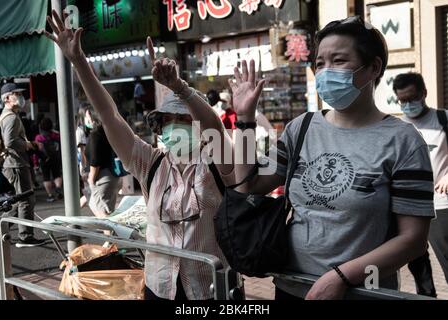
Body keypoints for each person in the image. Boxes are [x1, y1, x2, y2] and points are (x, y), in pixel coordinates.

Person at [162, 16, 435, 299]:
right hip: (291, 287)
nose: (326, 72)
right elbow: (249, 185)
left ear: (373, 68)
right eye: (320, 63)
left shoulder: (403, 141)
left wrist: (341, 277)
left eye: (339, 60)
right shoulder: (301, 127)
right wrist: (244, 120)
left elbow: (413, 240)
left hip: (362, 293)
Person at [45, 10, 233, 300]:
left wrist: (179, 88)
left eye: (180, 119)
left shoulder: (216, 162)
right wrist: (79, 62)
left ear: (195, 124)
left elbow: (215, 129)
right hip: (160, 289)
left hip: (209, 292)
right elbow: (109, 116)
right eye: (164, 121)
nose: (170, 127)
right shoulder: (151, 163)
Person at [394, 72, 448, 291]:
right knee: (417, 261)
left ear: (424, 94)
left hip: (440, 202)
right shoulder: (396, 128)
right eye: (402, 101)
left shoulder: (443, 119)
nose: (408, 104)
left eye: (412, 98)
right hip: (409, 205)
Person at [0, 83, 45, 247]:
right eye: (16, 94)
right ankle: (25, 236)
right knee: (26, 199)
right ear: (7, 98)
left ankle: (1, 226)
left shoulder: (9, 115)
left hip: (13, 163)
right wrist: (30, 145)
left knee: (20, 200)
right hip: (16, 164)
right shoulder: (10, 117)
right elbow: (10, 142)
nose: (20, 97)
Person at [83, 107, 120, 218]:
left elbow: (95, 161)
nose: (86, 119)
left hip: (101, 178)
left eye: (87, 116)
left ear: (93, 118)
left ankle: (113, 235)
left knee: (104, 216)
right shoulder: (107, 132)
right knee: (106, 212)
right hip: (110, 176)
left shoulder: (95, 135)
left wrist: (91, 179)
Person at [35, 117, 63, 202]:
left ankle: (50, 195)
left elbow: (36, 151)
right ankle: (58, 188)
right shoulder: (57, 135)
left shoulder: (39, 138)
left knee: (46, 177)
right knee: (57, 175)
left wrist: (35, 163)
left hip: (44, 159)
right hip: (56, 158)